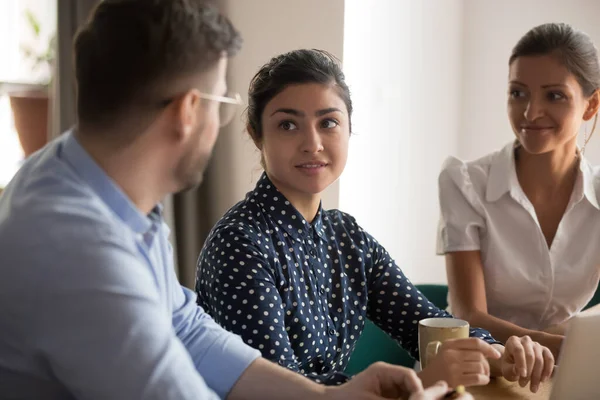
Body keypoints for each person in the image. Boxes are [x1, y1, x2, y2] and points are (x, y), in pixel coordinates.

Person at [0, 1, 463, 399]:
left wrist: (328, 395)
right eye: (222, 103)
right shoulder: (80, 253)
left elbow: (191, 331)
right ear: (188, 110)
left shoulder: (89, 186)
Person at [196, 49, 554, 394]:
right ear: (256, 133)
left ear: (349, 129)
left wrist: (501, 355)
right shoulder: (239, 244)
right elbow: (277, 390)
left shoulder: (347, 237)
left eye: (329, 122)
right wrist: (422, 382)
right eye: (288, 125)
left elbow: (424, 325)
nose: (313, 143)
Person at [437, 22, 600, 361]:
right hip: (477, 362)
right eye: (518, 92)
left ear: (590, 105)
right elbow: (469, 315)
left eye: (554, 95)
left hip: (564, 367)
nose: (530, 112)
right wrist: (565, 348)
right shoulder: (464, 182)